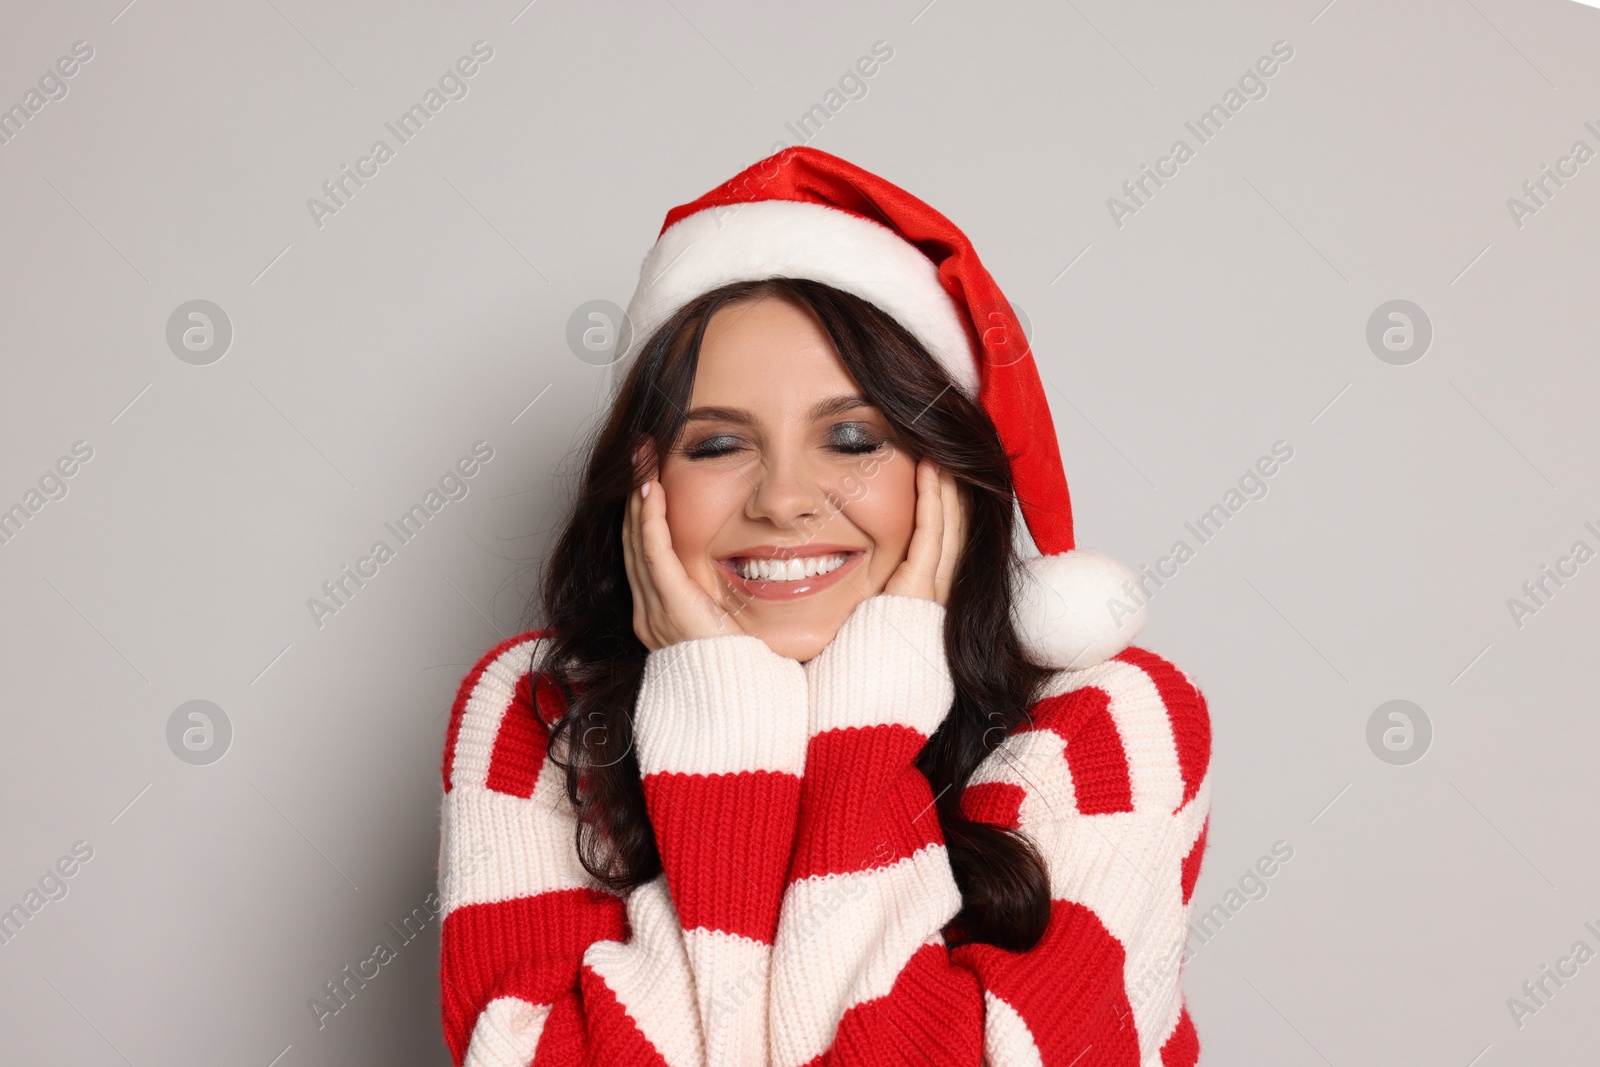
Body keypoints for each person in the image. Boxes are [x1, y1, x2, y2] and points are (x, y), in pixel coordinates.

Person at [436, 147, 1213, 1066]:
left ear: (950, 473)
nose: (784, 499)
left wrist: (868, 720)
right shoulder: (537, 714)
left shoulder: (1110, 726)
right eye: (718, 442)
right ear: (646, 484)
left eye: (852, 439)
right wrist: (719, 711)